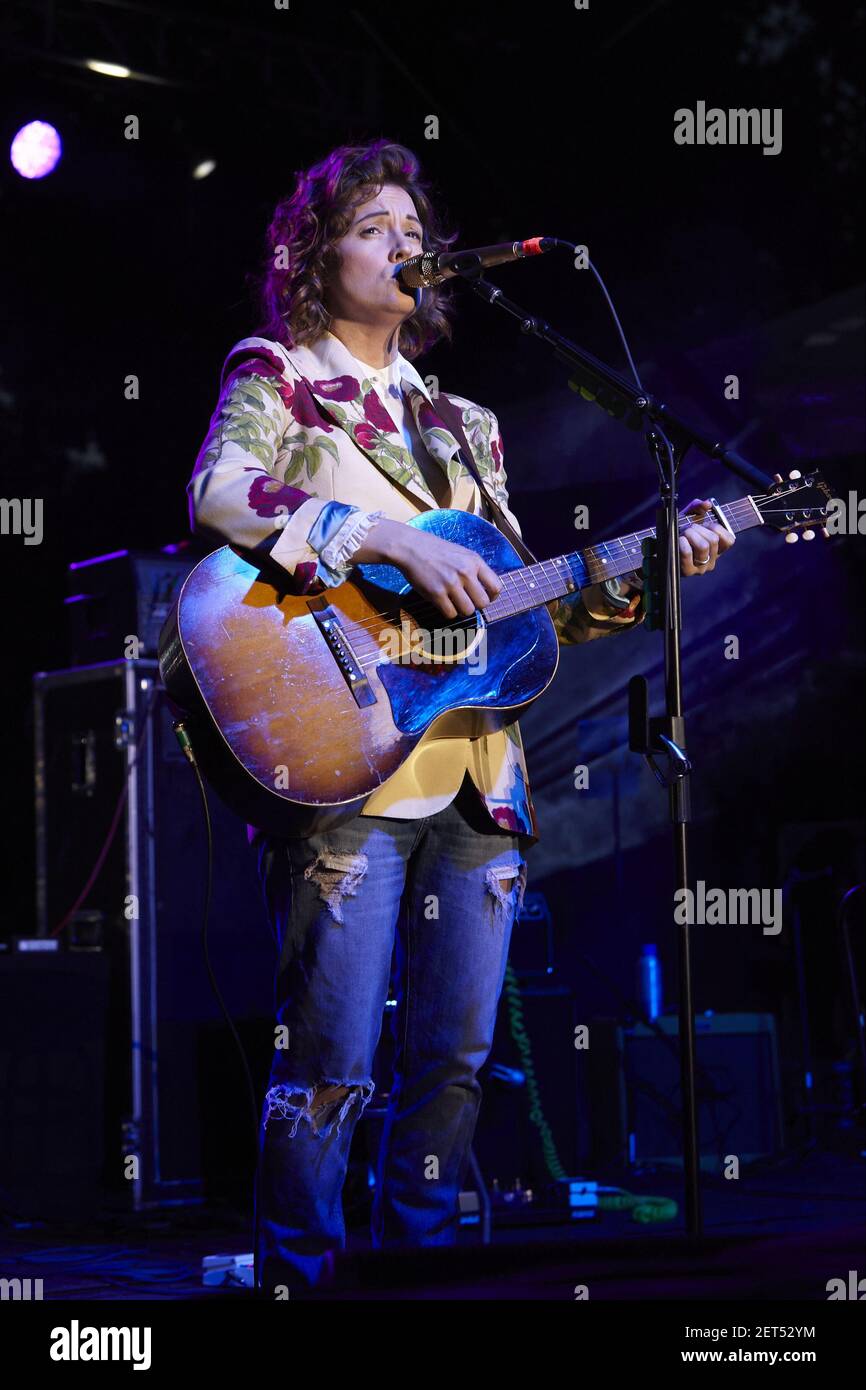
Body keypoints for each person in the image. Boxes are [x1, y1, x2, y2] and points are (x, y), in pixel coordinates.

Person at [186, 138, 734, 1295]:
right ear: (313, 251)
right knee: (330, 1058)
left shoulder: (463, 426)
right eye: (373, 225)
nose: (403, 244)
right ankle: (299, 1275)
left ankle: (424, 1275)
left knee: (455, 1061)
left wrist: (655, 572)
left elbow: (520, 613)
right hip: (349, 756)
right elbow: (219, 492)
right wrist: (368, 534)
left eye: (410, 226)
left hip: (480, 774)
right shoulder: (279, 374)